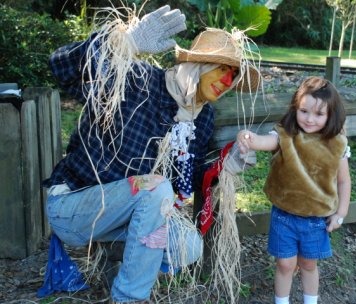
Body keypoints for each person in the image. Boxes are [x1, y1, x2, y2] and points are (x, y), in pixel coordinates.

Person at [39, 4, 261, 304]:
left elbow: (190, 176)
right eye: (222, 68)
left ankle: (124, 272)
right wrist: (122, 43)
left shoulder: (202, 117)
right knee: (155, 187)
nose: (227, 81)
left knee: (189, 245)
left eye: (233, 75)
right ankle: (129, 298)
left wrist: (226, 166)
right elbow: (59, 67)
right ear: (198, 65)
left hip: (126, 218)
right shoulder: (137, 80)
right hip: (74, 207)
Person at [237, 76, 351, 304]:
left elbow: (343, 181)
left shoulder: (337, 143)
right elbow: (264, 142)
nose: (309, 119)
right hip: (284, 215)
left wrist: (340, 213)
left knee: (309, 264)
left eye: (319, 114)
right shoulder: (286, 135)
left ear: (331, 115)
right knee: (285, 264)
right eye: (304, 111)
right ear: (295, 108)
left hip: (316, 219)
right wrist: (249, 138)